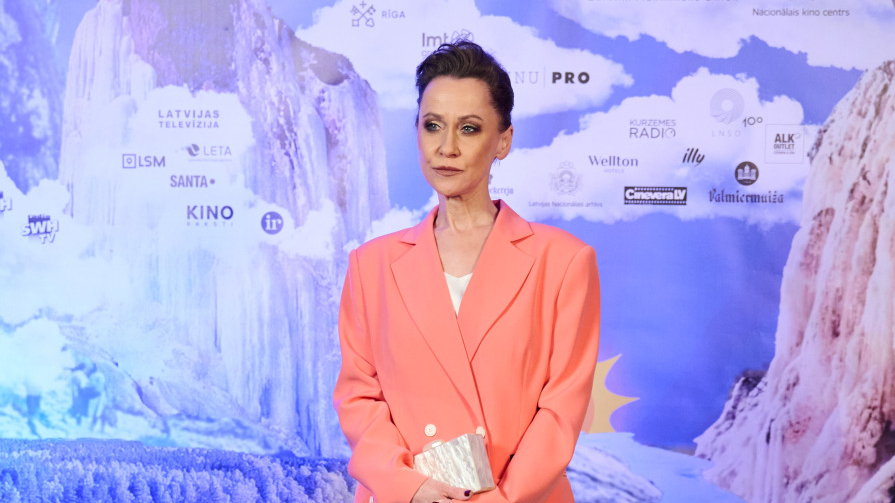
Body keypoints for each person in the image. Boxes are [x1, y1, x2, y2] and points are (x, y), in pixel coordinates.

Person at [334, 40, 601, 503]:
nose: (447, 148)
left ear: (504, 141)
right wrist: (408, 486)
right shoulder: (370, 265)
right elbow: (359, 398)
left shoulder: (563, 261)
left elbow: (561, 409)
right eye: (433, 125)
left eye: (469, 128)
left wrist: (502, 498)